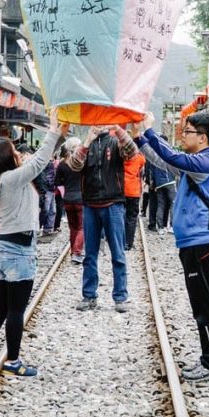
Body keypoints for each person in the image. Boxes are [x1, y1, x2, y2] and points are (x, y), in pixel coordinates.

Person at [133, 111, 209, 382]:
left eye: (186, 131)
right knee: (201, 303)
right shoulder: (198, 164)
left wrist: (150, 131)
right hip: (197, 242)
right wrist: (138, 138)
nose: (182, 135)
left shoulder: (205, 162)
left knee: (205, 305)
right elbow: (162, 160)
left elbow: (172, 157)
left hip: (205, 243)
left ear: (202, 137)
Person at [0, 108, 67, 377]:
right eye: (13, 150)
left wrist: (58, 136)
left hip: (3, 249)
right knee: (15, 310)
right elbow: (38, 163)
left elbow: (38, 161)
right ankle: (13, 361)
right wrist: (52, 129)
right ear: (5, 156)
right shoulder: (12, 179)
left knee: (1, 306)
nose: (17, 152)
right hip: (19, 250)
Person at [68, 124, 138, 313]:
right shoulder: (86, 144)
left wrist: (119, 129)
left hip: (113, 203)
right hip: (90, 204)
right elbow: (74, 165)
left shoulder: (115, 142)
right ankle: (89, 296)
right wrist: (88, 141)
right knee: (90, 255)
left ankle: (120, 297)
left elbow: (132, 152)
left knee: (118, 253)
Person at [55, 138, 85, 264]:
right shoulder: (81, 162)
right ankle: (77, 252)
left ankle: (74, 251)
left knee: (73, 227)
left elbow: (57, 182)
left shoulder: (62, 164)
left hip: (67, 199)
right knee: (82, 227)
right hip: (80, 198)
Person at [152, 137, 177, 234]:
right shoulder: (167, 153)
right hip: (169, 181)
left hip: (159, 184)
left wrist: (154, 184)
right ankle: (171, 226)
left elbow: (152, 171)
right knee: (173, 203)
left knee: (161, 205)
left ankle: (160, 228)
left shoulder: (154, 154)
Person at [122, 152, 145, 251]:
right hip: (134, 191)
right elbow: (142, 172)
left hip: (121, 190)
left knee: (120, 216)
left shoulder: (121, 157)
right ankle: (128, 243)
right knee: (131, 218)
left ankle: (119, 240)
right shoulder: (140, 158)